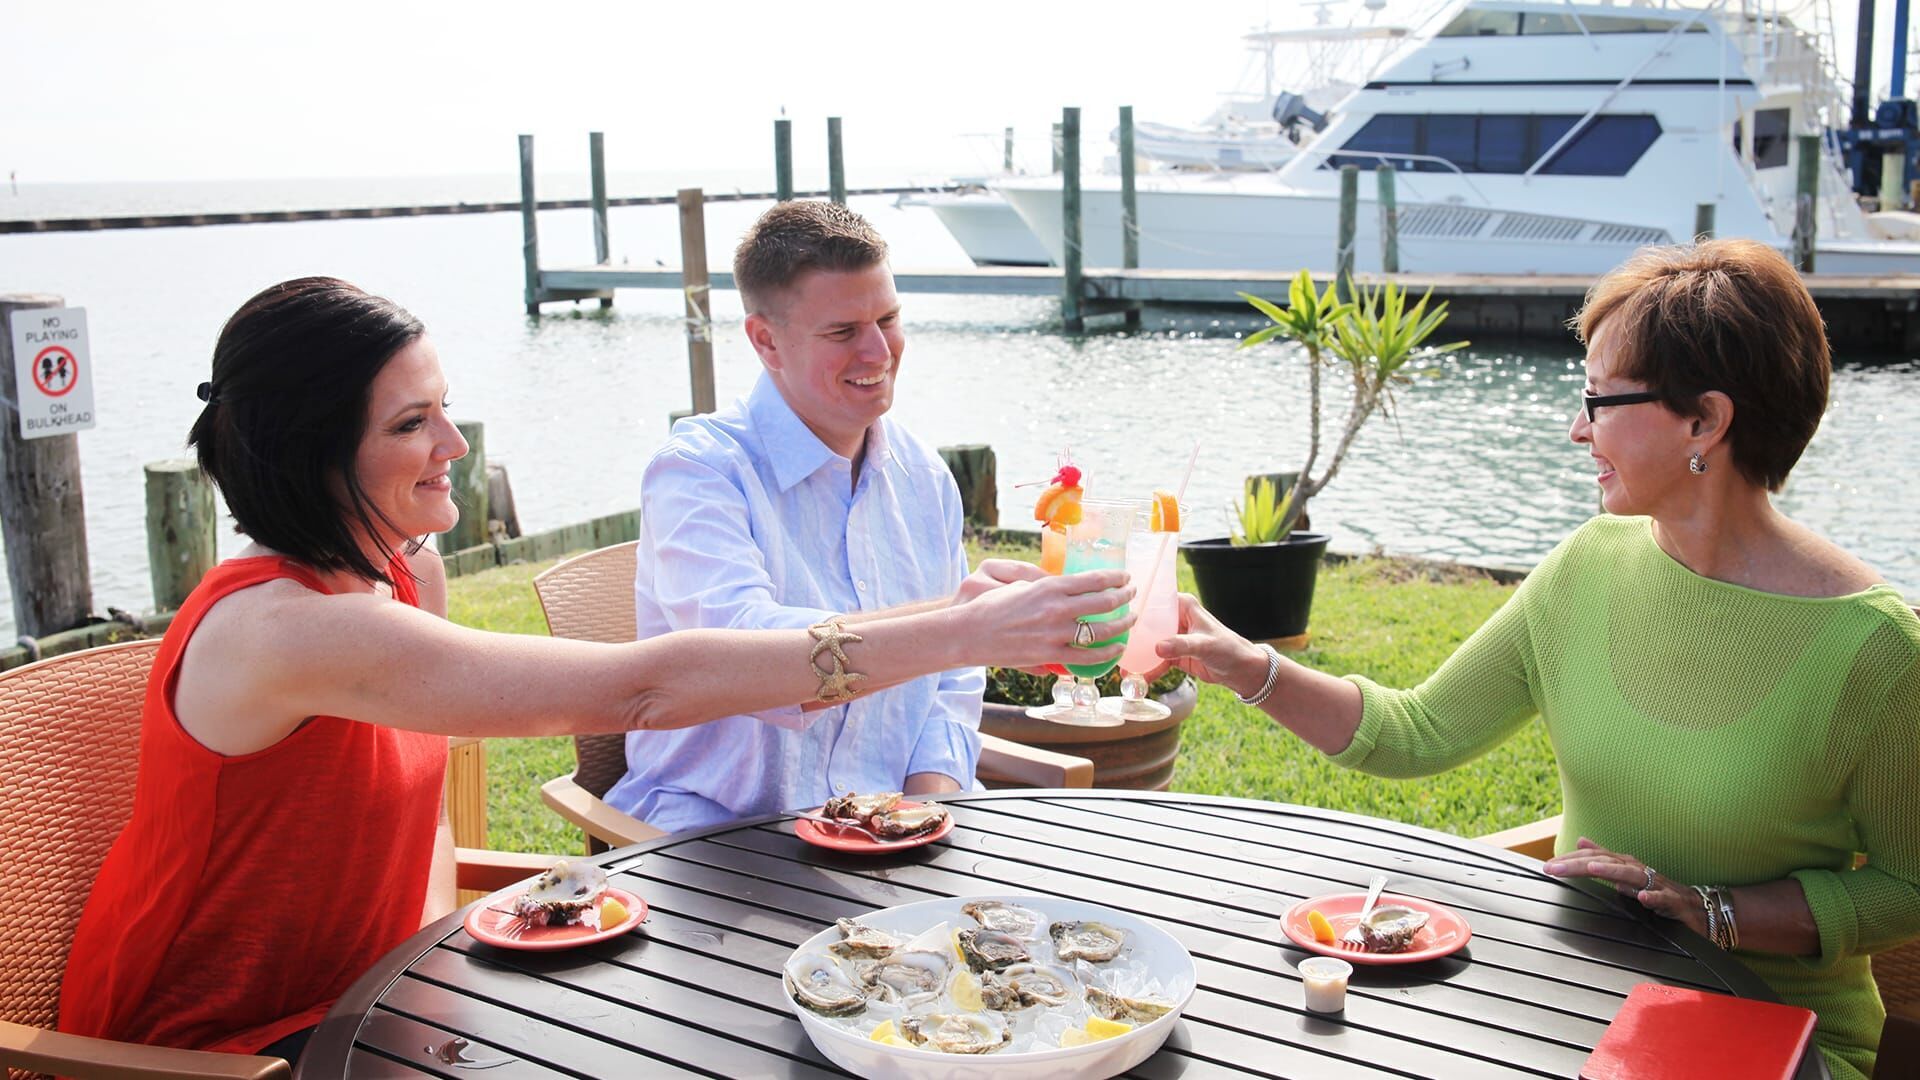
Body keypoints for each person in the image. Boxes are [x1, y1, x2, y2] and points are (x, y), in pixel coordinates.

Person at [56, 277, 1132, 1062]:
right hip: (222, 1051)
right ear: (311, 454)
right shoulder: (284, 631)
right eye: (412, 423)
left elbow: (416, 834)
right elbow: (641, 689)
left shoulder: (405, 575)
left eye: (443, 407)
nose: (455, 445)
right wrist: (961, 633)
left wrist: (430, 978)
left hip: (380, 1007)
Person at [1154, 240, 1918, 1080]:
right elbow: (1417, 730)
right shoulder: (1591, 565)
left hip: (1775, 1036)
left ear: (1705, 420)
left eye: (1599, 399)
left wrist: (1717, 913)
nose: (1577, 428)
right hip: (1586, 1007)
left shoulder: (1873, 648)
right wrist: (1246, 665)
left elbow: (1910, 886)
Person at [603, 201, 1005, 831]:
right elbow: (751, 663)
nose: (879, 351)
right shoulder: (699, 472)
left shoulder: (925, 476)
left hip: (895, 829)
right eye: (843, 332)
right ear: (766, 341)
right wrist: (964, 626)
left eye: (889, 319)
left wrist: (925, 811)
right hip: (718, 833)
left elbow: (951, 682)